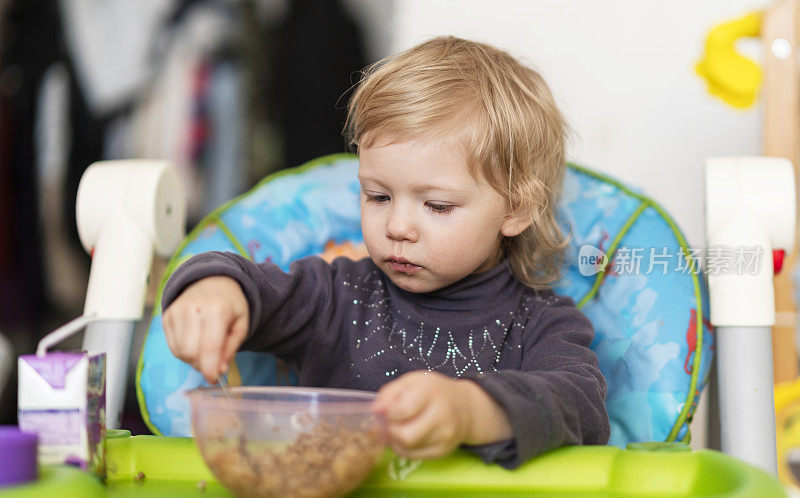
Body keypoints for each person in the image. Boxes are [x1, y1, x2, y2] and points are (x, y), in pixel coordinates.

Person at [161, 36, 610, 468]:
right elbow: (257, 286)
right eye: (378, 197)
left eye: (436, 205)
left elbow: (581, 407)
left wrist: (472, 412)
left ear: (516, 209)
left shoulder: (541, 324)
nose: (397, 227)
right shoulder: (335, 298)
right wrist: (214, 290)